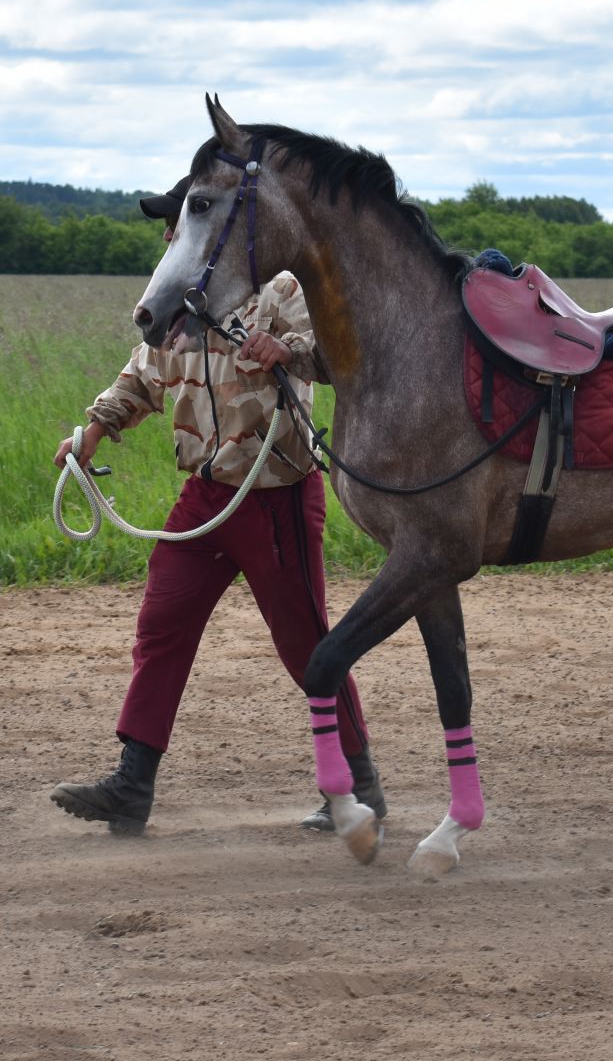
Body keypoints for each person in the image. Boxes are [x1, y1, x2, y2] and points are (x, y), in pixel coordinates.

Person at [49, 176, 386, 836]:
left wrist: (285, 351)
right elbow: (142, 377)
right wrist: (90, 433)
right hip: (204, 497)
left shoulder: (280, 291)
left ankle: (361, 784)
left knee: (305, 647)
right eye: (167, 225)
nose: (168, 234)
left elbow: (339, 359)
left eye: (176, 223)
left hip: (276, 497)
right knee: (161, 625)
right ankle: (132, 785)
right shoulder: (171, 304)